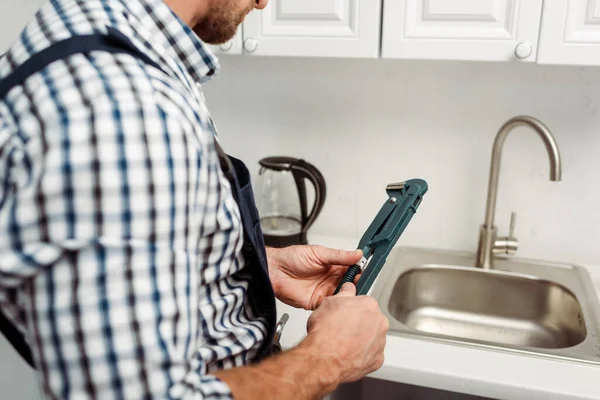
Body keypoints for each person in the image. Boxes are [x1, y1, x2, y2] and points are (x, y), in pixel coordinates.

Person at [0, 0, 389, 398]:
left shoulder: (99, 50)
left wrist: (249, 261)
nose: (263, 2)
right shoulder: (124, 109)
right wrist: (329, 357)